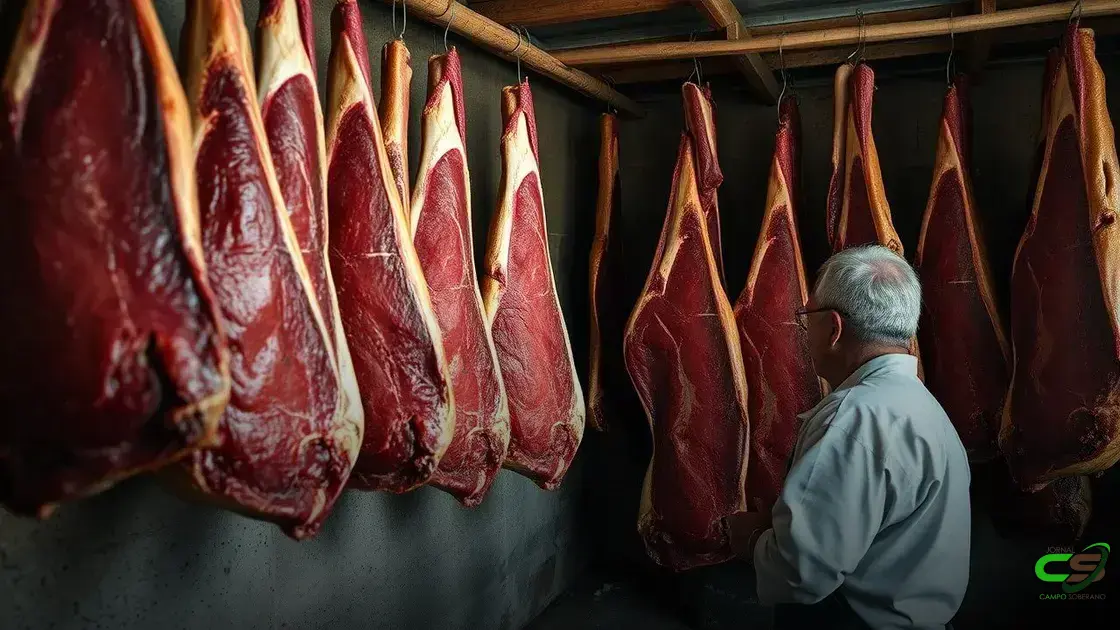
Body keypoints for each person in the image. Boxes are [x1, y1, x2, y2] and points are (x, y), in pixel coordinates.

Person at [725, 245, 971, 630]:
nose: (805, 334)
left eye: (807, 318)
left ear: (834, 328)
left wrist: (754, 541)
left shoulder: (854, 419)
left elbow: (801, 574)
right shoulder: (924, 407)